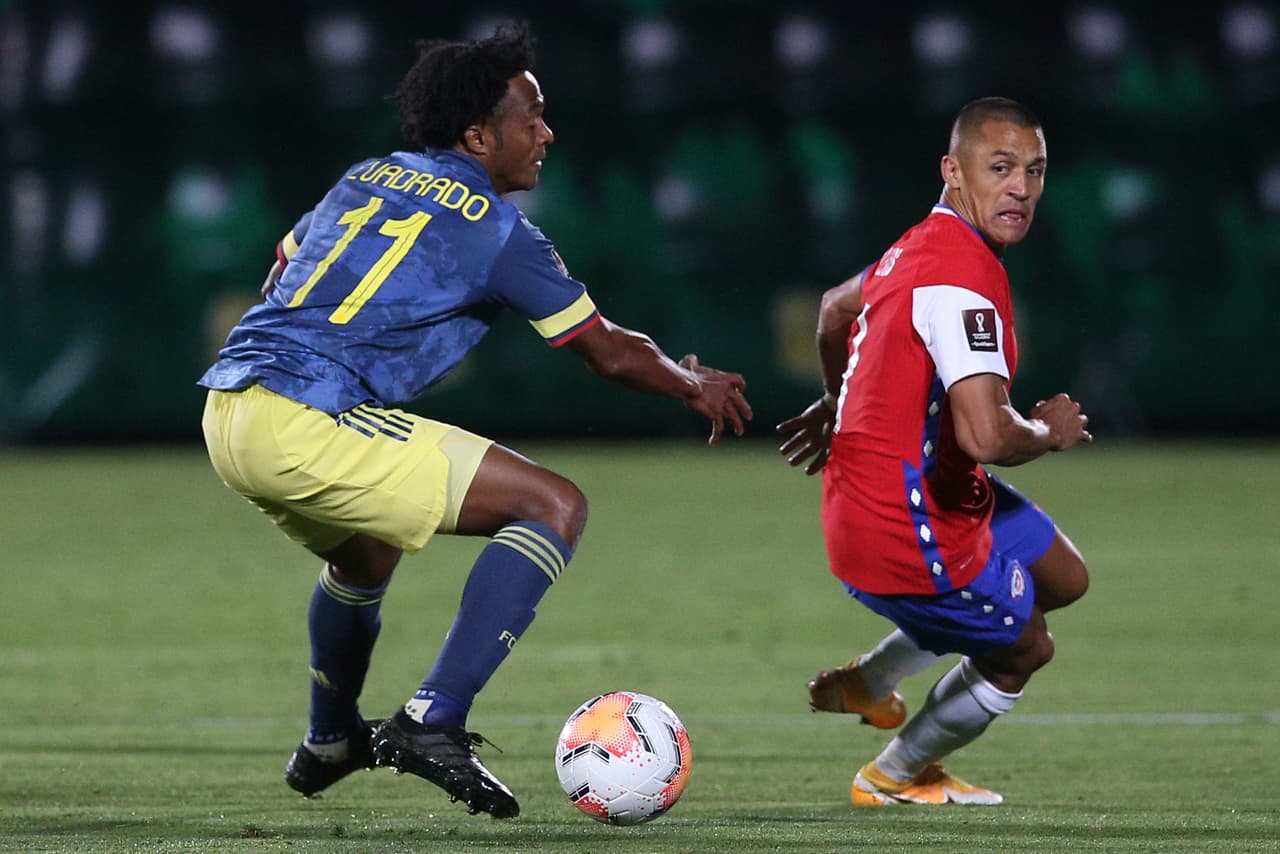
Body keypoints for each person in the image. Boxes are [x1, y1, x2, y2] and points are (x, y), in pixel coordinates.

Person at [198, 23, 752, 820]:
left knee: (366, 557)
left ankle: (329, 740)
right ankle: (434, 719)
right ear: (477, 134)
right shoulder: (498, 231)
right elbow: (604, 350)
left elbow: (284, 267)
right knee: (553, 504)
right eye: (532, 117)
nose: (546, 133)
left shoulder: (368, 176)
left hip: (230, 407)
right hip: (306, 418)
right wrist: (687, 385)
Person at [776, 97, 1091, 807]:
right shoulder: (960, 277)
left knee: (1064, 579)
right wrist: (1049, 431)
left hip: (918, 490)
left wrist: (836, 404)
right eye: (1001, 168)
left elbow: (833, 308)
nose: (1021, 188)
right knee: (1025, 647)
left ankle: (869, 680)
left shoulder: (922, 244)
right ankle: (893, 775)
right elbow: (987, 435)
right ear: (954, 170)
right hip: (902, 526)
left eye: (1035, 172)